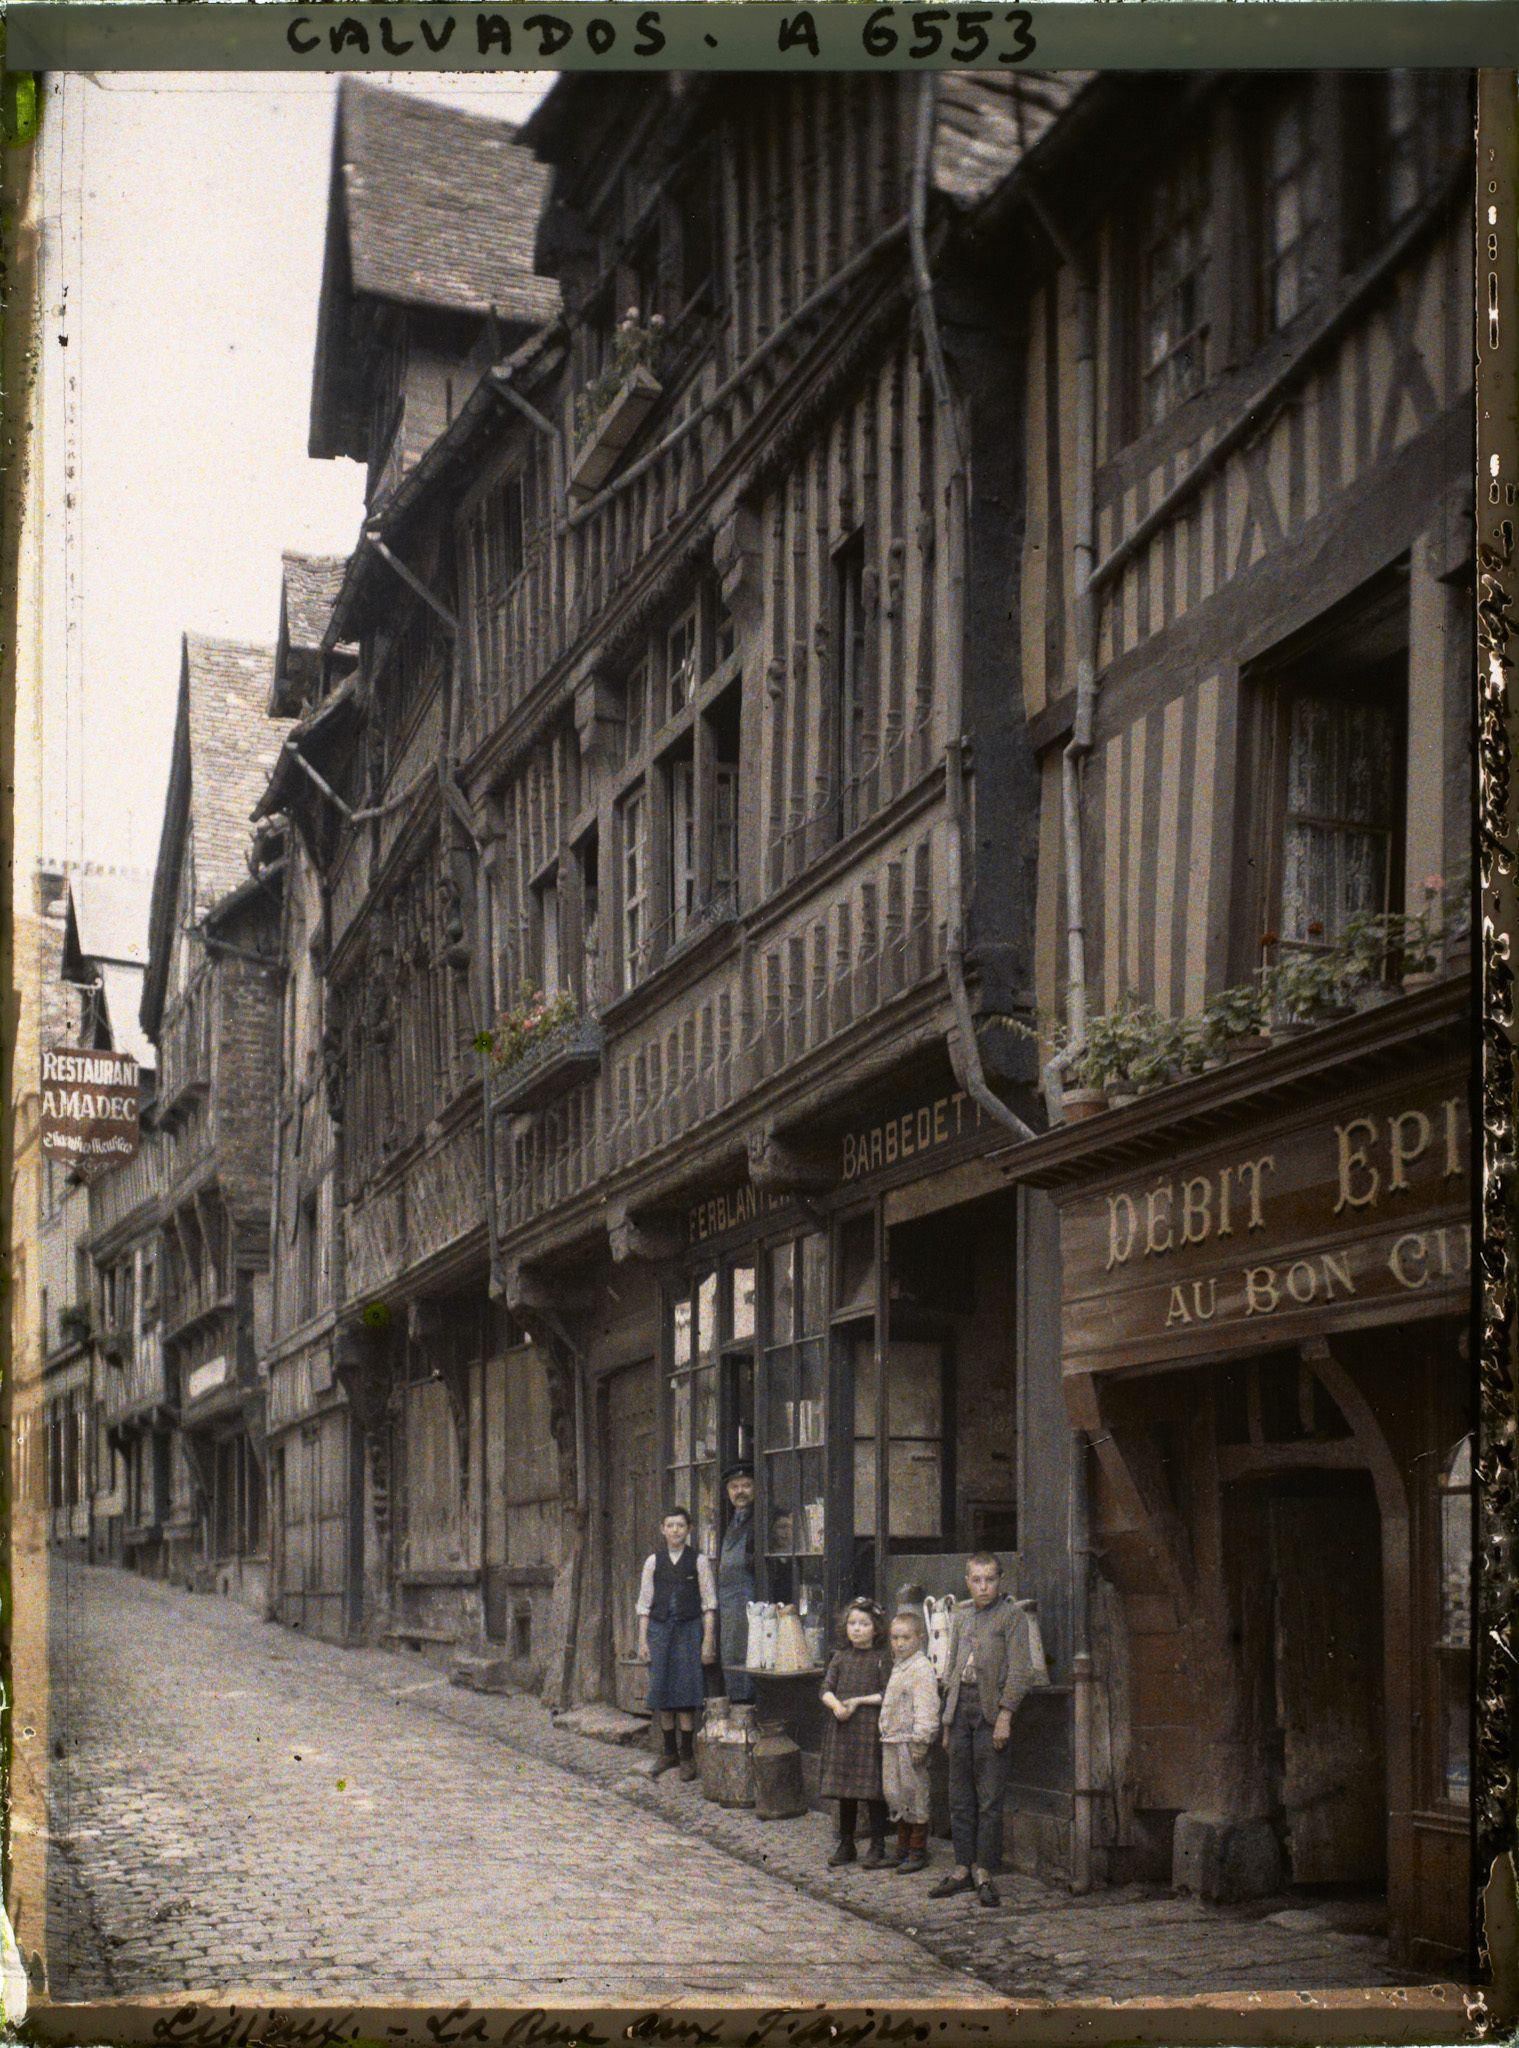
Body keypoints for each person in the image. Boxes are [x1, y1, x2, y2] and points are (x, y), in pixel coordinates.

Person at [931, 1551, 1045, 1907]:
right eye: (976, 1580)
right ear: (967, 1582)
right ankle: (962, 1868)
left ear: (999, 1581)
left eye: (990, 1580)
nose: (983, 1587)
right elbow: (950, 1671)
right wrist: (947, 1724)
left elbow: (1020, 1671)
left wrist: (1005, 1716)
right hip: (960, 1711)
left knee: (989, 1798)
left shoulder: (1012, 1618)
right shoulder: (961, 1617)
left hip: (990, 1714)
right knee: (959, 1796)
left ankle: (984, 1872)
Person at [636, 1507, 717, 1780]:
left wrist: (707, 1641)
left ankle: (687, 1755)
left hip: (688, 1631)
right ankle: (668, 1751)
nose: (675, 1530)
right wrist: (643, 1641)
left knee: (685, 1695)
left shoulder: (699, 1561)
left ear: (689, 1529)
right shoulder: (653, 1562)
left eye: (680, 1525)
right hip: (660, 1631)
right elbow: (644, 1605)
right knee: (663, 1693)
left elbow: (709, 1604)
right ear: (663, 1529)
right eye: (670, 1525)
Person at [818, 1599, 892, 1869]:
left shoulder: (882, 1658)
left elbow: (887, 1693)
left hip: (869, 1729)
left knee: (873, 1790)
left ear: (876, 1628)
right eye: (852, 1623)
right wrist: (836, 1706)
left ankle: (878, 1844)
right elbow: (825, 1688)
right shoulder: (840, 1657)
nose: (857, 1629)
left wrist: (859, 1701)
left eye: (864, 1624)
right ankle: (846, 1843)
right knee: (845, 1791)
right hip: (844, 1729)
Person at [877, 1607, 940, 1874]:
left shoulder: (921, 1669)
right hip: (892, 1740)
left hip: (910, 1743)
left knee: (915, 1794)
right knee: (895, 1794)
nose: (900, 1644)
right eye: (895, 1638)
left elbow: (926, 1708)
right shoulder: (899, 1666)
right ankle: (901, 1848)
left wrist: (921, 1741)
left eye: (906, 1638)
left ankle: (917, 1850)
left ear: (920, 1639)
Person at [716, 1463, 757, 1703]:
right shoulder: (731, 1521)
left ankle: (746, 1707)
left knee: (748, 1653)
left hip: (749, 1599)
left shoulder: (760, 1520)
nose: (740, 1491)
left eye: (746, 1485)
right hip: (728, 1603)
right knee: (731, 1651)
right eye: (734, 1487)